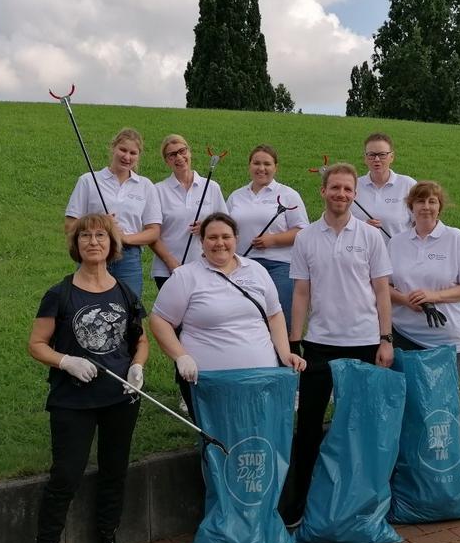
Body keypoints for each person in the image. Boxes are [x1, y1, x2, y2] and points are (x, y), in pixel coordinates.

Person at [27, 213, 149, 543]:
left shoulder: (126, 293)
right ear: (76, 245)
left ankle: (108, 540)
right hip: (73, 402)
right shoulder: (60, 294)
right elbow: (37, 344)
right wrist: (64, 361)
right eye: (85, 236)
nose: (93, 242)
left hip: (119, 399)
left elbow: (139, 340)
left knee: (115, 471)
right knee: (65, 477)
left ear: (112, 245)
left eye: (100, 235)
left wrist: (137, 367)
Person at [286, 163, 393, 526]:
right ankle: (299, 503)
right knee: (309, 427)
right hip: (318, 345)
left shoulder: (370, 237)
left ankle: (360, 502)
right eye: (335, 188)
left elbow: (382, 291)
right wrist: (294, 341)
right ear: (323, 191)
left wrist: (386, 338)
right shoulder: (305, 238)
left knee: (359, 427)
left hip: (364, 343)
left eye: (348, 189)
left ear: (355, 194)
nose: (341, 194)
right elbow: (301, 293)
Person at [150, 212, 306, 421]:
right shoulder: (185, 277)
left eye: (226, 237)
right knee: (221, 445)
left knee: (259, 442)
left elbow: (274, 315)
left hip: (261, 380)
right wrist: (181, 356)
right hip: (210, 386)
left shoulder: (256, 270)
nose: (220, 243)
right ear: (202, 241)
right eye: (212, 238)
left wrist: (285, 354)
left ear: (236, 239)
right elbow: (159, 321)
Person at [388, 181, 460, 445]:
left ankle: (455, 469)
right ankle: (417, 470)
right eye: (420, 201)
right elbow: (383, 286)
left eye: (432, 201)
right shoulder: (396, 243)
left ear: (440, 207)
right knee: (411, 406)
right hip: (405, 335)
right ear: (410, 206)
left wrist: (434, 297)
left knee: (445, 405)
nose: (426, 207)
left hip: (446, 339)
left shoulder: (455, 239)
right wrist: (405, 300)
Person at [64, 128, 162, 298]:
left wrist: (125, 238)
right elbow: (70, 225)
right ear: (113, 148)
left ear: (139, 155)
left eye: (133, 153)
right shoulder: (88, 180)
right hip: (93, 252)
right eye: (123, 150)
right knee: (86, 304)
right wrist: (99, 224)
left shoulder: (146, 186)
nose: (127, 157)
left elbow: (153, 232)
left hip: (128, 257)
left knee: (130, 310)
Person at [226, 144, 308, 333]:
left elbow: (302, 231)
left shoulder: (288, 195)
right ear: (249, 166)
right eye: (256, 163)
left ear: (275, 167)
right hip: (243, 265)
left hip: (279, 265)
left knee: (279, 317)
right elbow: (226, 228)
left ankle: (284, 357)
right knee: (247, 318)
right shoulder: (237, 196)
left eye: (267, 164)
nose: (261, 168)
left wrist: (273, 240)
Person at [149, 134, 228, 289]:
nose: (179, 157)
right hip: (168, 270)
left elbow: (226, 226)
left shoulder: (211, 187)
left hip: (206, 267)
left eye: (182, 151)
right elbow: (152, 234)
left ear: (189, 152)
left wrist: (207, 226)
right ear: (166, 161)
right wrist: (170, 262)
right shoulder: (157, 190)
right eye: (172, 155)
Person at [353, 132, 417, 240]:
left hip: (397, 254)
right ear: (365, 158)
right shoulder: (353, 186)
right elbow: (341, 223)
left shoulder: (408, 185)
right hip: (361, 254)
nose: (376, 159)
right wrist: (362, 227)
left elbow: (421, 223)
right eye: (371, 155)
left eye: (382, 154)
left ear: (391, 157)